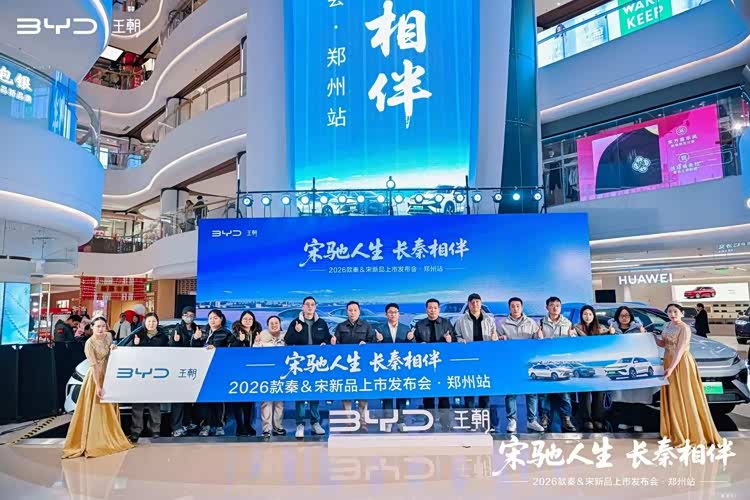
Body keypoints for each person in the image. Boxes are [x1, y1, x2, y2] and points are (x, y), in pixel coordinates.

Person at [63, 316, 133, 458]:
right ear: (92, 327)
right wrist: (98, 386)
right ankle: (94, 440)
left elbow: (112, 353)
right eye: (98, 326)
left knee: (109, 408)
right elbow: (94, 366)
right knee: (96, 408)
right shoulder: (89, 343)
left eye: (103, 326)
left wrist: (113, 348)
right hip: (96, 377)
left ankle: (109, 436)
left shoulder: (108, 336)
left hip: (109, 374)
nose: (101, 329)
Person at [656, 304, 721, 447]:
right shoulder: (667, 326)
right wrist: (653, 336)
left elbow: (680, 350)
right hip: (668, 361)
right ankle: (675, 430)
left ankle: (690, 432)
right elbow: (663, 344)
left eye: (675, 311)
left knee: (685, 394)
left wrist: (671, 368)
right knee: (673, 395)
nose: (673, 314)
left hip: (681, 363)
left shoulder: (684, 328)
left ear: (682, 313)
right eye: (670, 312)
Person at [285, 296, 331, 438]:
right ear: (303, 306)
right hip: (301, 364)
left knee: (315, 392)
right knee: (301, 393)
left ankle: (315, 422)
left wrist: (327, 342)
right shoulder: (296, 322)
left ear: (315, 306)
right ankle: (299, 424)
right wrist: (297, 332)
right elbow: (288, 340)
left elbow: (327, 339)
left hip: (316, 364)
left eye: (312, 304)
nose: (310, 307)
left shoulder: (321, 322)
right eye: (307, 304)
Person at [497, 297, 545, 433]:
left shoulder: (531, 323)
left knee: (531, 392)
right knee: (511, 393)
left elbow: (537, 341)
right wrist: (500, 339)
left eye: (518, 306)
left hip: (528, 363)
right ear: (509, 308)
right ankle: (512, 420)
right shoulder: (502, 324)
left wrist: (539, 336)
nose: (515, 308)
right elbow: (496, 343)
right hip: (510, 363)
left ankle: (532, 420)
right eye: (512, 306)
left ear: (522, 307)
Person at [454, 293, 498, 431]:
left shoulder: (489, 320)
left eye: (477, 302)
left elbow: (494, 336)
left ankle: (486, 423)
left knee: (485, 392)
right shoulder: (461, 320)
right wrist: (460, 340)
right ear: (468, 304)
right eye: (472, 302)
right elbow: (456, 335)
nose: (475, 304)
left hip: (485, 360)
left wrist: (495, 338)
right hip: (468, 360)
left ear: (481, 303)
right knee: (469, 391)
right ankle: (471, 423)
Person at [123, 312, 169, 442]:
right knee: (138, 403)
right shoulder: (138, 334)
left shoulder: (163, 337)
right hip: (140, 374)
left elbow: (168, 353)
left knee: (154, 403)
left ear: (157, 322)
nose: (151, 324)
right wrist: (135, 344)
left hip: (156, 374)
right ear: (144, 322)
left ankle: (155, 429)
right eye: (149, 321)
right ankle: (136, 430)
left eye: (154, 321)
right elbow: (128, 352)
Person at [607, 305, 653, 433]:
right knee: (623, 397)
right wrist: (610, 334)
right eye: (621, 315)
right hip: (622, 367)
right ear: (617, 317)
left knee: (638, 396)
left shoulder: (638, 328)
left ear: (631, 317)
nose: (624, 318)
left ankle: (638, 422)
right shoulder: (612, 329)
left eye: (627, 315)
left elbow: (646, 345)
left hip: (636, 367)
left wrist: (643, 334)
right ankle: (625, 421)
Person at [191, 309, 236, 436]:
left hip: (219, 371)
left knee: (218, 399)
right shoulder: (203, 331)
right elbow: (193, 349)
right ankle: (205, 425)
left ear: (221, 319)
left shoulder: (226, 333)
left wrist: (216, 349)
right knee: (204, 400)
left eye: (215, 318)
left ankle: (219, 426)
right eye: (210, 318)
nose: (212, 320)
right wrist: (195, 339)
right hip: (203, 371)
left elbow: (231, 351)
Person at [332, 301, 374, 431]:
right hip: (345, 367)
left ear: (359, 312)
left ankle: (363, 422)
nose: (352, 312)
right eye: (350, 310)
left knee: (363, 395)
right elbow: (336, 344)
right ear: (347, 312)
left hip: (362, 367)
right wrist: (333, 342)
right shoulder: (340, 326)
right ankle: (348, 422)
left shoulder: (366, 326)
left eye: (355, 310)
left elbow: (373, 343)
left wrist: (366, 344)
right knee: (347, 395)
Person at [414, 298, 454, 431]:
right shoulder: (419, 325)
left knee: (444, 396)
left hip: (443, 365)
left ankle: (445, 424)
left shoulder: (446, 323)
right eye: (430, 308)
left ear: (439, 309)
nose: (432, 310)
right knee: (428, 397)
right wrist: (419, 344)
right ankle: (428, 424)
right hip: (426, 365)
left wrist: (450, 340)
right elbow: (413, 343)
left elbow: (455, 342)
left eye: (435, 308)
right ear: (426, 309)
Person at [538, 296, 577, 433]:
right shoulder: (540, 323)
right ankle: (544, 417)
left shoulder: (567, 323)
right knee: (544, 393)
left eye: (557, 305)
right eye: (552, 305)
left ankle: (566, 418)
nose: (555, 308)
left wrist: (573, 337)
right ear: (547, 307)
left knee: (565, 393)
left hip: (562, 363)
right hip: (545, 363)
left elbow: (573, 344)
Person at [375, 303, 415, 432]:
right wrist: (378, 341)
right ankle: (388, 421)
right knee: (387, 395)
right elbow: (373, 349)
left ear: (399, 314)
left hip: (401, 367)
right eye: (390, 312)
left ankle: (401, 421)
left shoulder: (405, 328)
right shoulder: (380, 329)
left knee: (401, 394)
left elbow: (413, 347)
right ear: (386, 314)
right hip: (385, 368)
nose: (393, 314)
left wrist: (411, 339)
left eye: (395, 312)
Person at [573, 305, 610, 432]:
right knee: (584, 393)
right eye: (585, 314)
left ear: (593, 315)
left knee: (598, 392)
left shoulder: (602, 329)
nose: (587, 316)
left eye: (590, 314)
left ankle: (598, 419)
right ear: (581, 316)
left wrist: (611, 333)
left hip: (598, 365)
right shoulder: (576, 328)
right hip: (583, 364)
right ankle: (586, 419)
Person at [169, 306, 201, 437]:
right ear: (182, 316)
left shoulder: (197, 329)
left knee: (189, 398)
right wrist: (175, 341)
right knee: (178, 399)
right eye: (186, 315)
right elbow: (171, 348)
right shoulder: (177, 329)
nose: (189, 317)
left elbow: (199, 349)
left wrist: (197, 339)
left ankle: (186, 423)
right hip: (179, 369)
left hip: (193, 369)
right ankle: (176, 427)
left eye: (191, 315)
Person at [254, 315, 287, 438]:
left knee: (279, 402)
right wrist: (257, 343)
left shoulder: (285, 337)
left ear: (280, 324)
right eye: (271, 323)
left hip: (281, 374)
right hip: (266, 374)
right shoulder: (262, 336)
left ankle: (278, 427)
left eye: (276, 323)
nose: (274, 325)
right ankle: (266, 428)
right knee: (266, 402)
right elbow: (255, 353)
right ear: (267, 325)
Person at [230, 311, 262, 436]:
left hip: (251, 370)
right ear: (241, 320)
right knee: (237, 399)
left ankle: (248, 424)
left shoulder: (257, 333)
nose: (248, 321)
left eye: (250, 319)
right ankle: (240, 426)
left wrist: (258, 343)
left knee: (249, 400)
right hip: (237, 370)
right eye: (245, 319)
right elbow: (231, 351)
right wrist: (240, 341)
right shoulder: (235, 333)